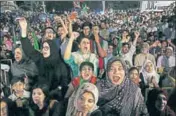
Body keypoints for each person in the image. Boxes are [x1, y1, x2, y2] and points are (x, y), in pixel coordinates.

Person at [19, 18, 71, 101]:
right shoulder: (40, 58)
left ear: (53, 49)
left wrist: (54, 93)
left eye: (47, 48)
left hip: (56, 98)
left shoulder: (61, 64)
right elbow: (28, 49)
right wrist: (24, 29)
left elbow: (64, 83)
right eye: (43, 48)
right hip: (40, 96)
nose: (44, 50)